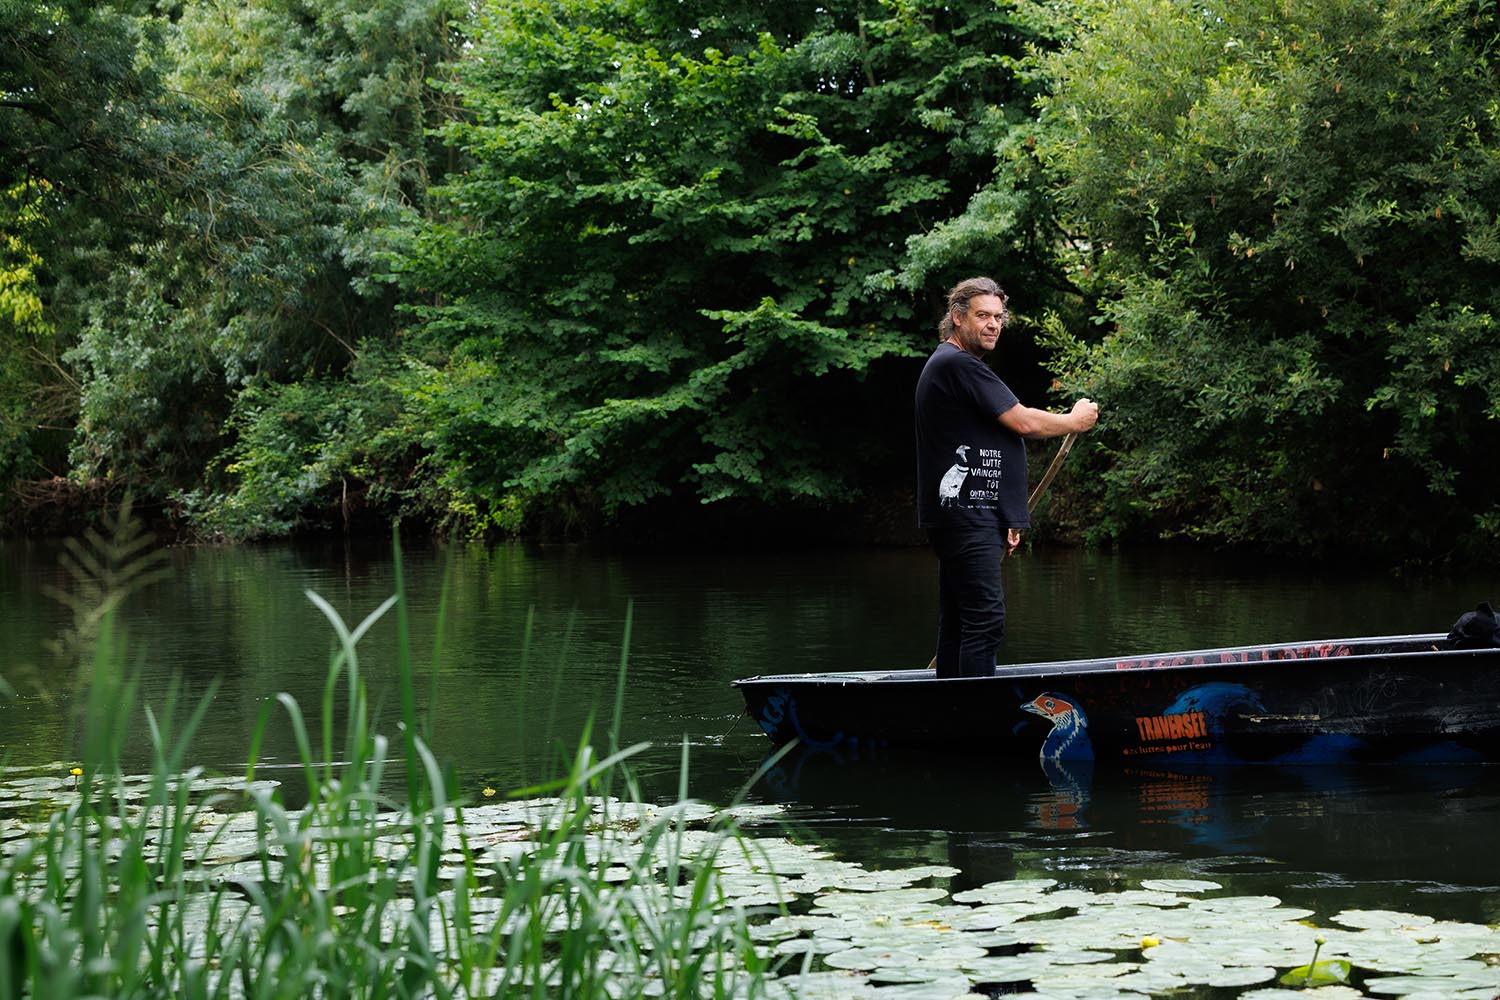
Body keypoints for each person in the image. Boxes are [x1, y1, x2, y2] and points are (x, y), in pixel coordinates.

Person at [915, 276, 1098, 679]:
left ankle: (951, 707)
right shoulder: (957, 363)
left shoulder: (956, 366)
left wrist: (1005, 517)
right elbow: (1023, 421)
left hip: (971, 515)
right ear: (957, 317)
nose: (993, 325)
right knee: (985, 620)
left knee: (960, 623)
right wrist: (1074, 420)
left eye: (998, 317)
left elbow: (984, 442)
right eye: (983, 316)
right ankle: (976, 711)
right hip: (966, 517)